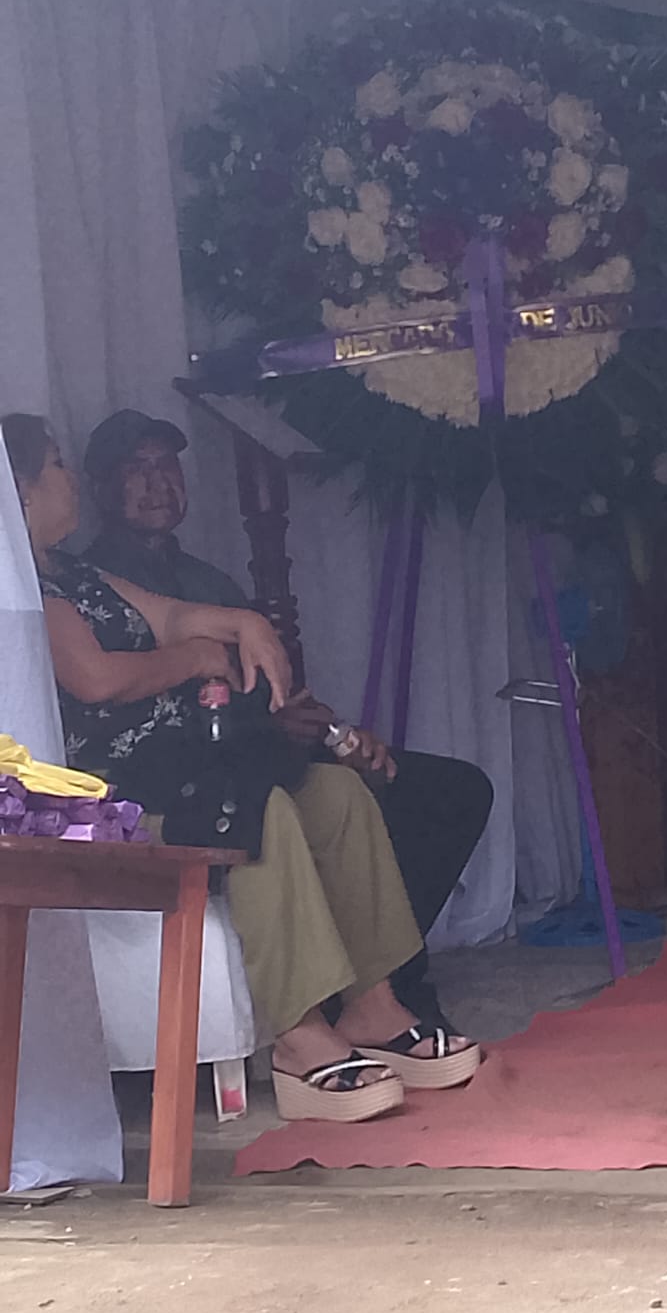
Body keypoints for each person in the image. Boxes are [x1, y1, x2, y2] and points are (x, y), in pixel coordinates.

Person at [3, 412, 480, 1124]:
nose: (67, 477)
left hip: (183, 769)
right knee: (258, 808)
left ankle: (373, 1005)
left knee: (336, 793)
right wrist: (197, 657)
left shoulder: (76, 574)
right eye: (57, 465)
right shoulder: (21, 589)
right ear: (22, 490)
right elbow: (96, 679)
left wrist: (243, 624)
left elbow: (172, 615)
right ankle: (299, 1036)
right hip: (118, 794)